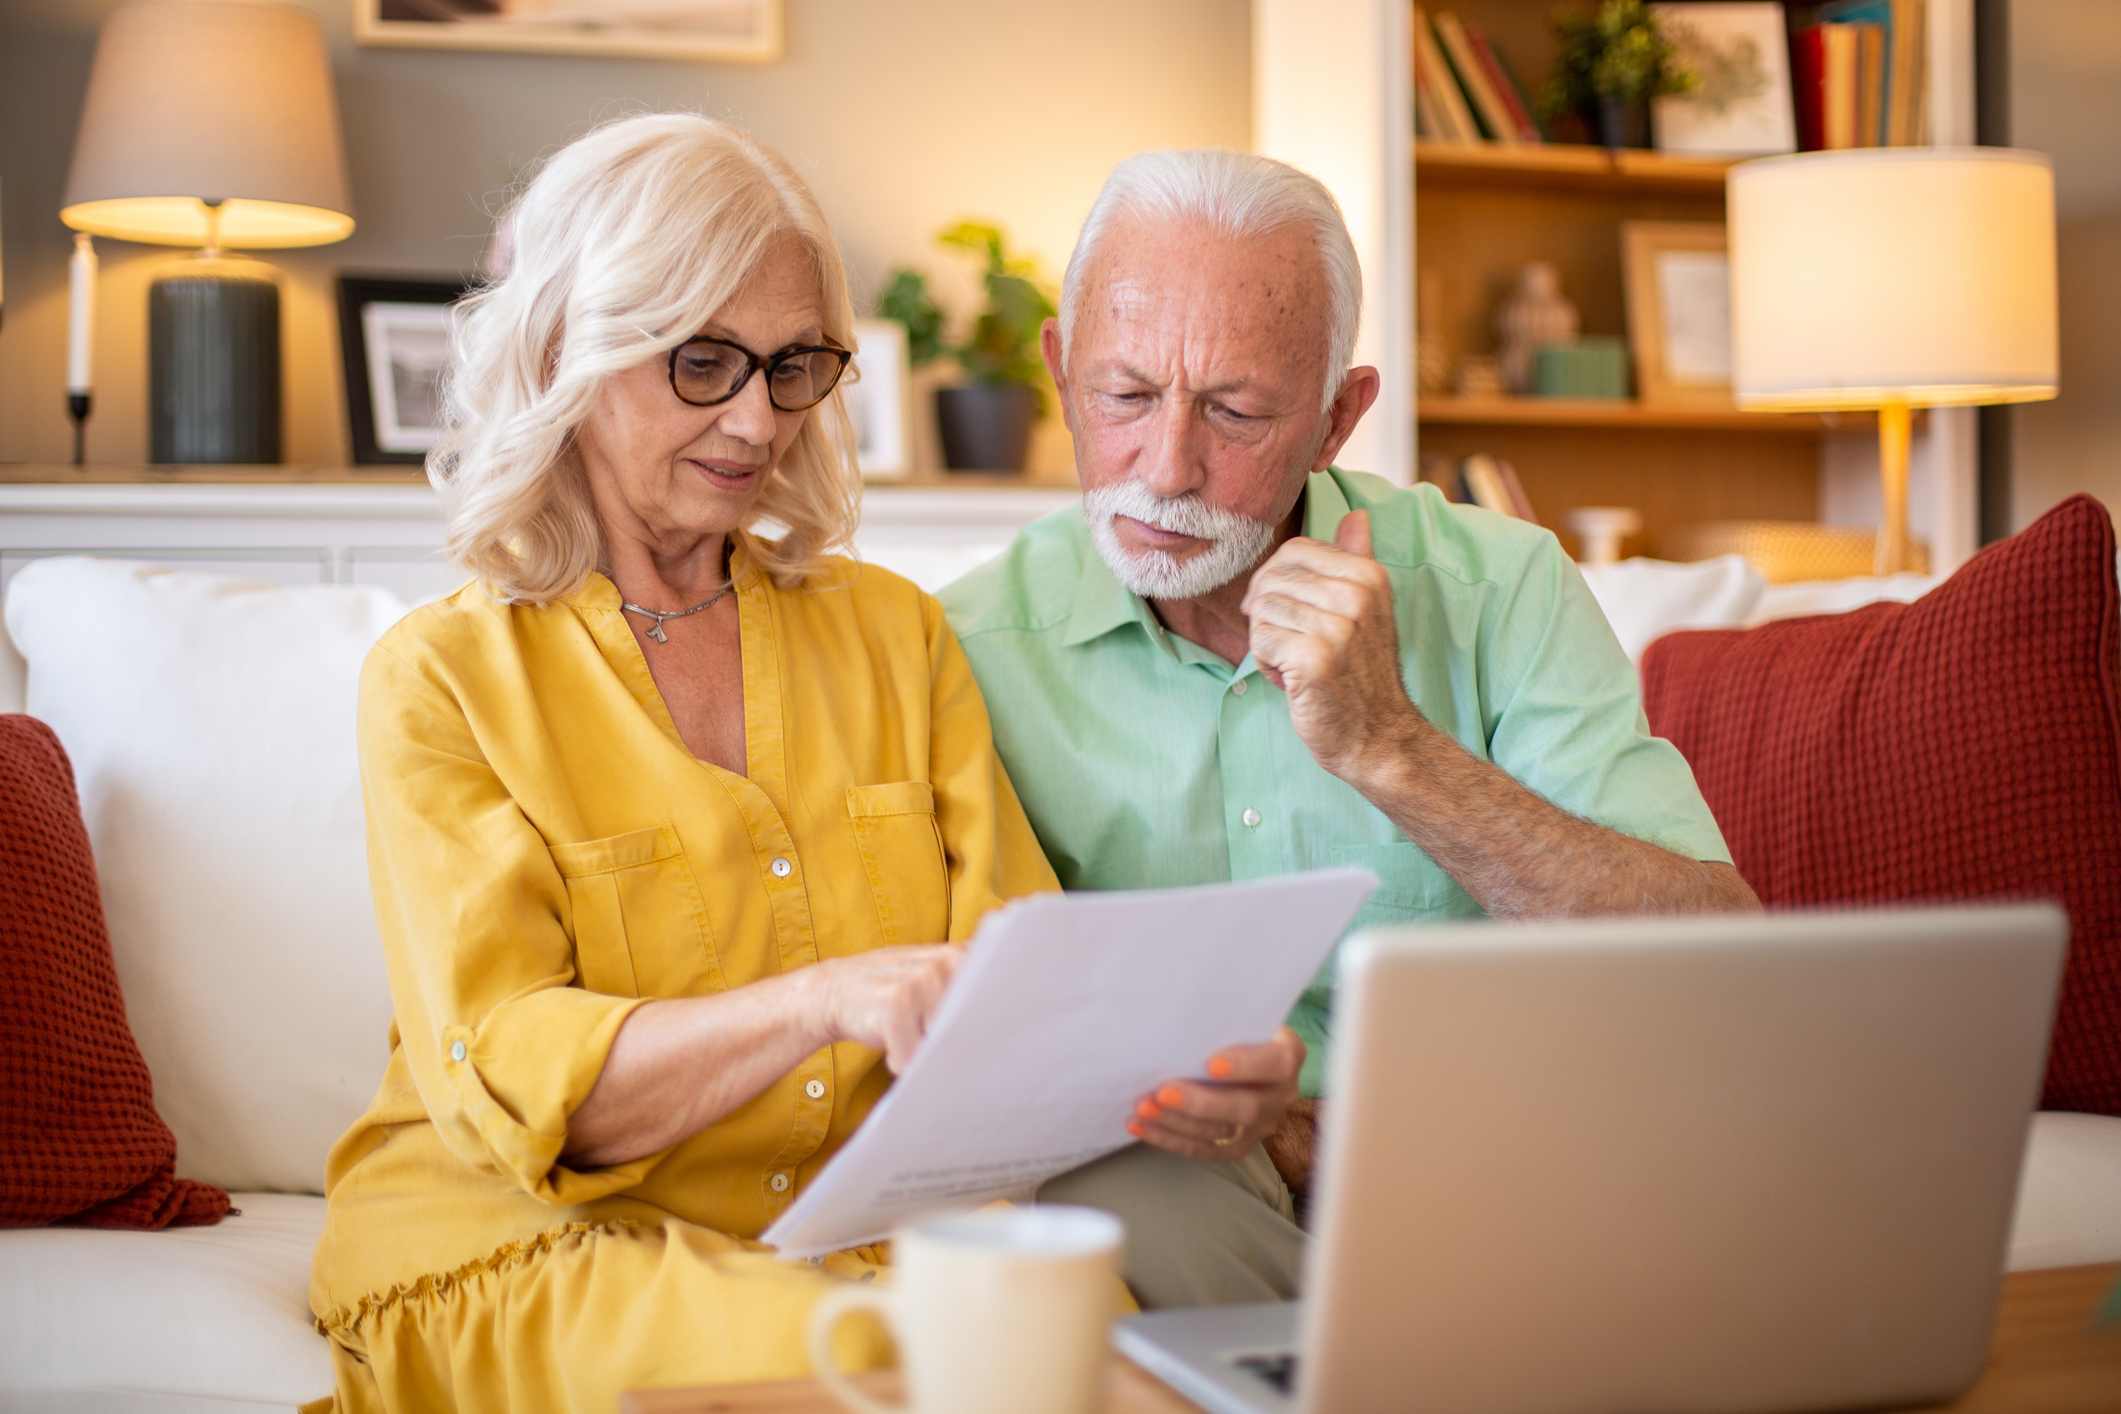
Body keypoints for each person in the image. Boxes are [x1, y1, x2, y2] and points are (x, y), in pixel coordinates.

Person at [310, 114, 1111, 1412]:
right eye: (702, 362)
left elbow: (1015, 974)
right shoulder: (442, 679)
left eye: (794, 366)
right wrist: (823, 997)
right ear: (567, 351)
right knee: (868, 1362)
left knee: (1087, 1348)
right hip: (524, 1240)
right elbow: (518, 1079)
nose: (758, 418)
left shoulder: (893, 634)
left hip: (849, 1238)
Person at [939, 149, 1762, 1310]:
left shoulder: (1501, 584)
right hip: (1189, 1175)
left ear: (1336, 418)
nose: (1167, 468)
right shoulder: (962, 649)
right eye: (1125, 396)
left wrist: (1392, 747)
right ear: (1063, 374)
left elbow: (1723, 971)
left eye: (1235, 411)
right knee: (1121, 1180)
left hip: (1490, 1162)